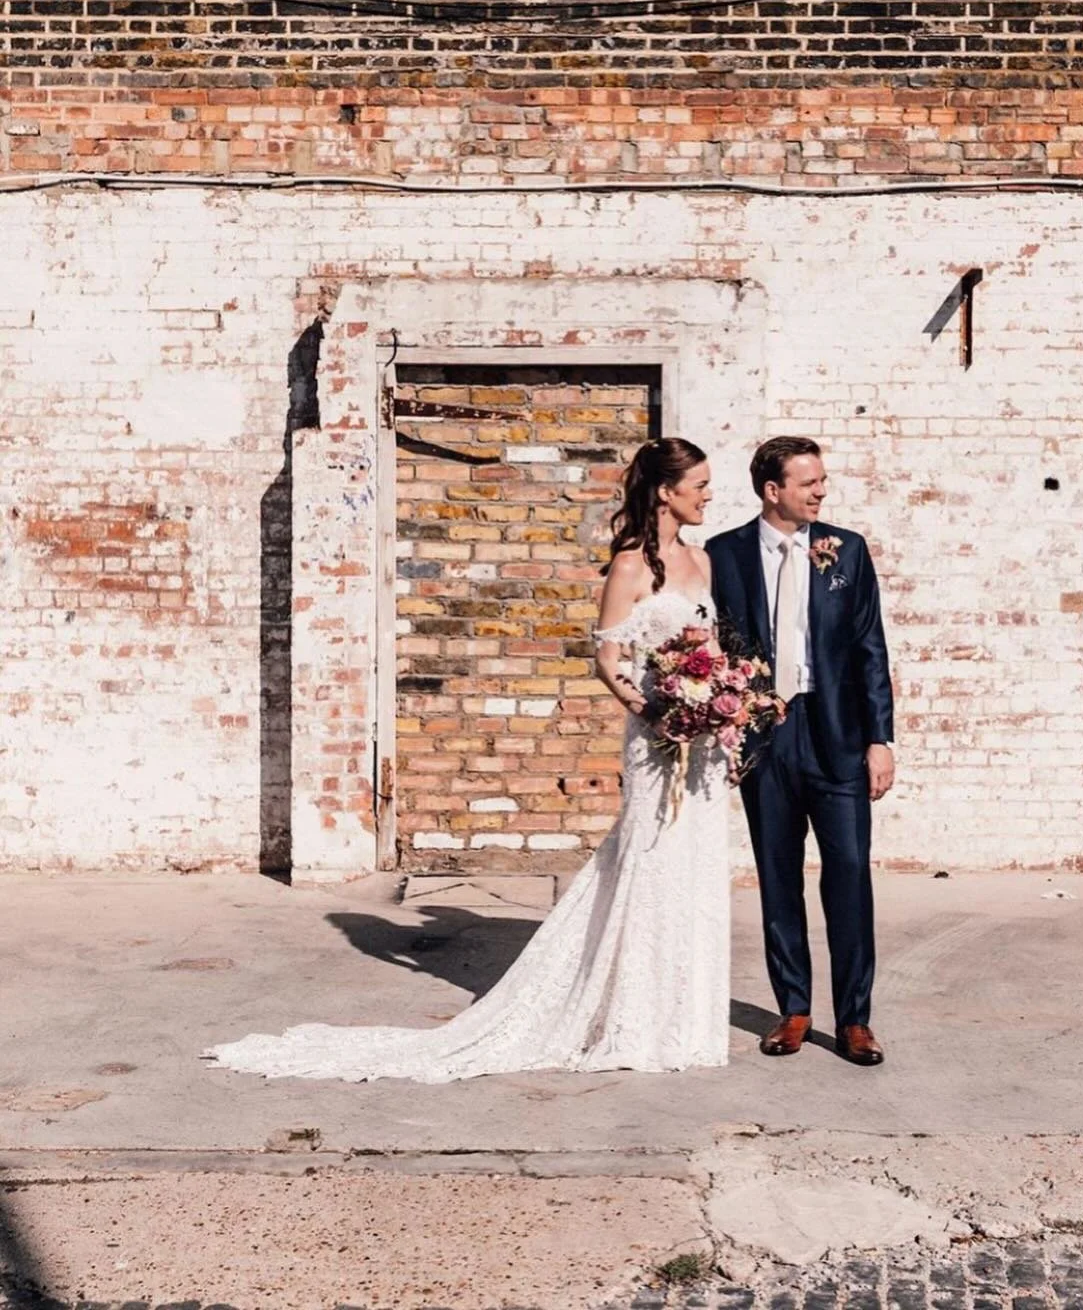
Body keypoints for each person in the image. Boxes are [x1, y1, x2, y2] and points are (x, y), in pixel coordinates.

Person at [203, 437, 731, 1082]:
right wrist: (657, 714)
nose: (708, 496)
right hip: (656, 740)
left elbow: (713, 649)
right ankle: (633, 1012)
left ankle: (685, 1015)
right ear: (666, 491)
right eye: (699, 485)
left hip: (702, 747)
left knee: (696, 868)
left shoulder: (703, 561)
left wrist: (720, 704)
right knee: (650, 863)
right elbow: (607, 660)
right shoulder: (628, 567)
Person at [706, 436, 894, 1067]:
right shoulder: (723, 554)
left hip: (835, 729)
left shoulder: (847, 550)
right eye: (809, 482)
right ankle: (793, 1009)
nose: (821, 491)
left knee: (848, 874)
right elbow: (711, 644)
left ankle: (855, 1020)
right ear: (772, 490)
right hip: (764, 732)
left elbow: (870, 650)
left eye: (822, 481)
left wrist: (879, 739)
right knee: (778, 875)